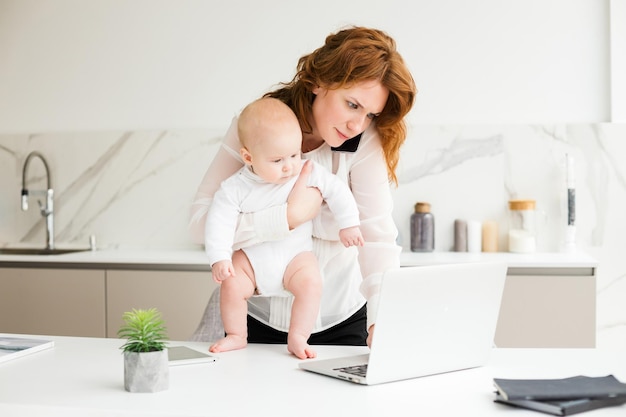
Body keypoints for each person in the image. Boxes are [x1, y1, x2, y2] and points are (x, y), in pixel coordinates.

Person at [190, 26, 416, 348]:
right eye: (352, 105)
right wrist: (287, 217)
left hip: (345, 319)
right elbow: (201, 224)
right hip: (258, 319)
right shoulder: (257, 126)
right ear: (318, 82)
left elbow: (376, 237)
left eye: (370, 114)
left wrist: (382, 319)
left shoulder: (364, 140)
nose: (357, 125)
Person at [205, 97, 364, 359]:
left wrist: (349, 224)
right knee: (232, 285)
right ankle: (236, 334)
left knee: (312, 283)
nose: (289, 165)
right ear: (248, 157)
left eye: (294, 154)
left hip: (295, 258)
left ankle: (298, 336)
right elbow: (218, 222)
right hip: (252, 262)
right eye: (278, 160)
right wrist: (219, 257)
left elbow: (338, 191)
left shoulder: (306, 170)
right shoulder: (235, 187)